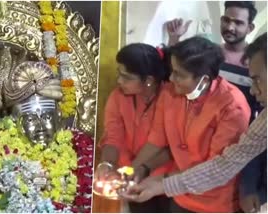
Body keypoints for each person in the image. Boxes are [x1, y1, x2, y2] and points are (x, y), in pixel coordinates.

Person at [120, 32, 267, 213]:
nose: (252, 91)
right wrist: (136, 170)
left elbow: (219, 169)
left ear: (203, 80)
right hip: (181, 195)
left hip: (215, 202)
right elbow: (157, 141)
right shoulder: (169, 93)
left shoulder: (232, 106)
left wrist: (161, 184)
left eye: (257, 80)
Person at [95, 43, 175, 213]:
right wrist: (107, 164)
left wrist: (134, 169)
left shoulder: (171, 97)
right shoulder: (118, 97)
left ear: (148, 81)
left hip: (164, 179)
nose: (119, 81)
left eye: (126, 77)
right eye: (119, 74)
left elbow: (163, 143)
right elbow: (113, 135)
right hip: (133, 180)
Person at [166, 1, 262, 123]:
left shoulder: (256, 63)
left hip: (239, 131)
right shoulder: (208, 55)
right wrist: (174, 38)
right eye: (226, 20)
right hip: (201, 126)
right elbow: (180, 72)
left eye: (238, 23)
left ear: (250, 28)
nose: (230, 27)